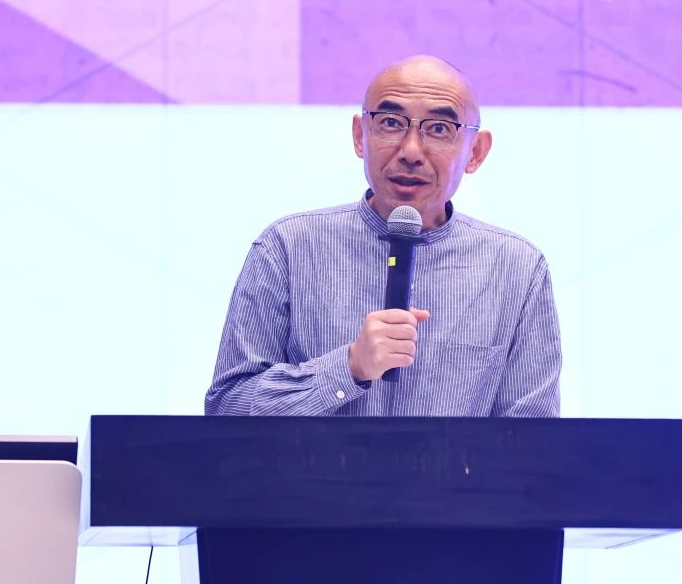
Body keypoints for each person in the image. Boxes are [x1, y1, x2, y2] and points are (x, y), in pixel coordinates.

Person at [205, 55, 561, 417]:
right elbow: (225, 408)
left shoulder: (517, 268)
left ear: (476, 152)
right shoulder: (288, 248)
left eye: (439, 128)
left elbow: (532, 440)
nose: (411, 151)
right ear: (360, 136)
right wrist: (348, 367)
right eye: (391, 123)